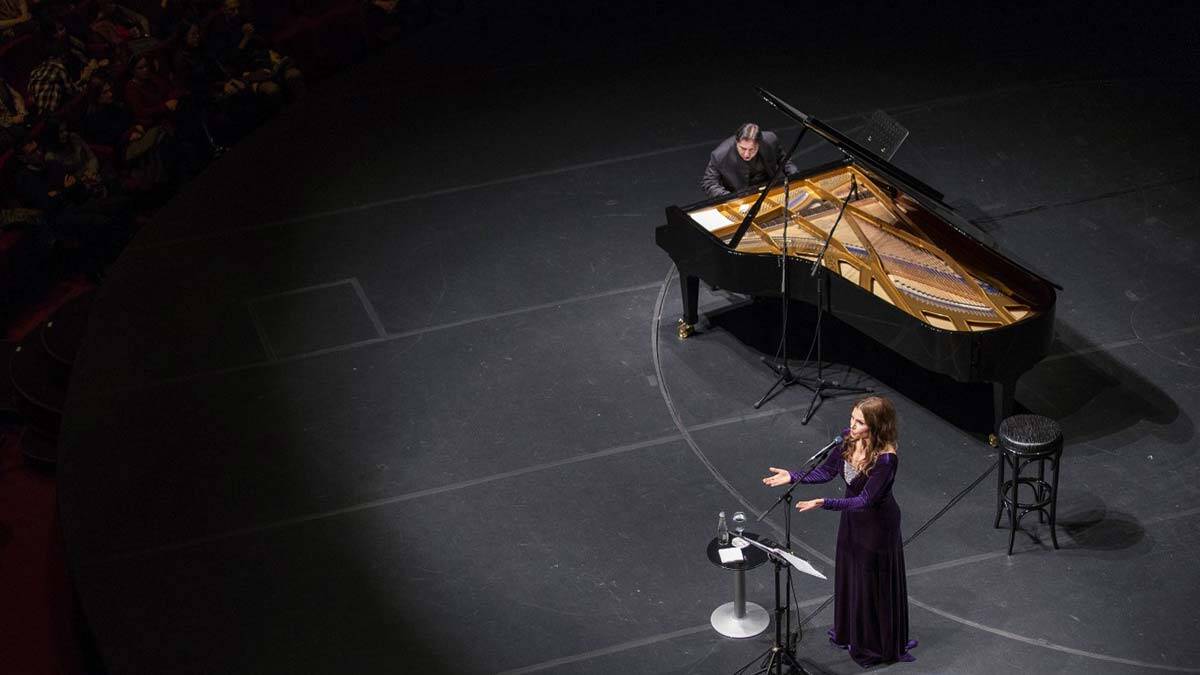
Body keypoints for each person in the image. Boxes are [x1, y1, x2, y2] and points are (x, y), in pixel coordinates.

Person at [762, 396, 917, 668]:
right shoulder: (847, 438)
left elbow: (865, 500)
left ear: (876, 426)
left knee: (870, 581)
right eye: (852, 418)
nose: (852, 426)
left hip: (877, 526)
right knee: (850, 572)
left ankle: (874, 644)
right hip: (852, 518)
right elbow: (827, 471)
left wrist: (825, 502)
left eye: (859, 422)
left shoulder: (886, 459)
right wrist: (793, 476)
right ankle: (851, 631)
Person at [700, 122, 797, 198]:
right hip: (738, 194)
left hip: (768, 189)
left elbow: (784, 160)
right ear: (737, 142)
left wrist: (796, 178)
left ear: (759, 144)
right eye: (743, 148)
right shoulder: (720, 154)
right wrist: (730, 197)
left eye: (752, 149)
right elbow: (709, 182)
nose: (747, 154)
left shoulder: (770, 140)